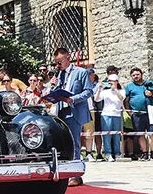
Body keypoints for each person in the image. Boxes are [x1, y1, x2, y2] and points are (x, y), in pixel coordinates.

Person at [51, 47, 93, 180]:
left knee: (74, 142)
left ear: (67, 58)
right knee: (63, 142)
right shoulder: (60, 74)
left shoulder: (81, 72)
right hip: (61, 111)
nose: (58, 66)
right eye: (56, 63)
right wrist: (53, 89)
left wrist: (73, 99)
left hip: (74, 111)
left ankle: (75, 175)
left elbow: (88, 91)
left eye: (59, 62)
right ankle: (66, 172)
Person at [124, 67, 153, 161]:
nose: (136, 76)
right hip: (137, 115)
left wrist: (152, 94)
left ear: (141, 74)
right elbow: (126, 100)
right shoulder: (129, 87)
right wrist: (129, 112)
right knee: (140, 134)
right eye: (133, 75)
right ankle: (144, 153)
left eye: (137, 74)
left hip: (150, 113)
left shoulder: (150, 84)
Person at [95, 74, 125, 162]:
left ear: (117, 82)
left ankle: (117, 153)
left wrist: (115, 89)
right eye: (109, 81)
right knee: (107, 135)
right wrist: (99, 90)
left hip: (117, 114)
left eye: (113, 81)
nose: (111, 83)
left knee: (116, 135)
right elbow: (96, 99)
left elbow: (121, 98)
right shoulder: (105, 92)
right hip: (106, 114)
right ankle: (108, 153)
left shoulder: (121, 91)